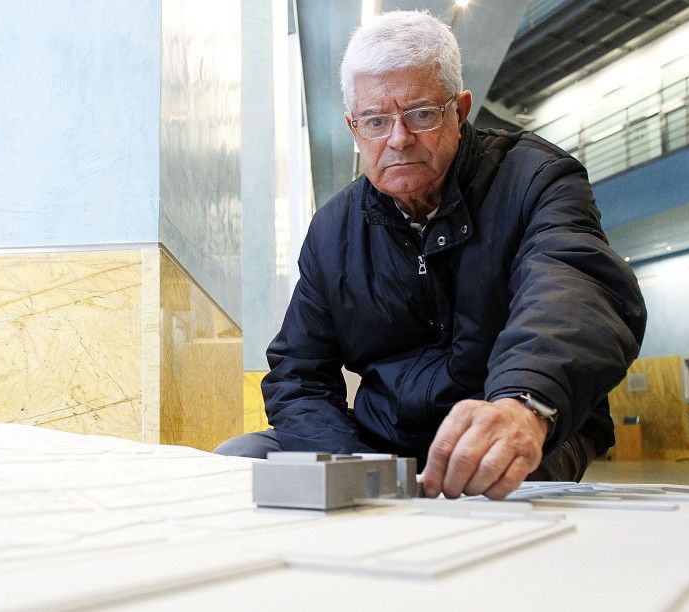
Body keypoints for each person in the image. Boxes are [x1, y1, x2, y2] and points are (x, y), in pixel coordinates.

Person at [215, 10, 646, 501]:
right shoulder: (332, 231)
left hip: (514, 429)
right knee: (238, 459)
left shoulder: (535, 180)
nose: (397, 138)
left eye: (420, 113)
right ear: (354, 129)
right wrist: (351, 467)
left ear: (459, 111)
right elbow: (298, 372)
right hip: (380, 443)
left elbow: (575, 289)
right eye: (376, 121)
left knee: (492, 499)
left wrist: (524, 403)